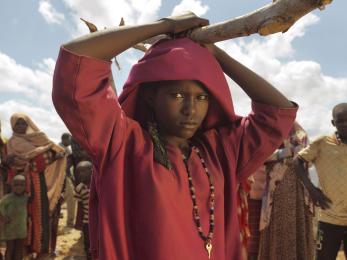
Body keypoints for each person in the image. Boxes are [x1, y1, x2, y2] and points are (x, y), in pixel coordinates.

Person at [52, 12, 297, 260]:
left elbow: (278, 113)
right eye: (177, 95)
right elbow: (77, 59)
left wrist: (216, 55)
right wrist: (165, 26)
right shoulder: (123, 144)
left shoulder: (220, 152)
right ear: (150, 97)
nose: (191, 109)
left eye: (201, 98)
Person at [250, 122, 315, 260]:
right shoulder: (264, 131)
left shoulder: (298, 132)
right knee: (270, 236)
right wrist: (289, 152)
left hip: (297, 193)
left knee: (295, 231)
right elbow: (262, 155)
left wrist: (283, 154)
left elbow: (306, 150)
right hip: (272, 193)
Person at [6, 113, 67, 257]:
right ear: (13, 125)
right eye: (18, 124)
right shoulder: (10, 143)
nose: (21, 126)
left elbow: (50, 154)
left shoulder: (38, 139)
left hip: (40, 184)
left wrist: (54, 156)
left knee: (40, 215)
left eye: (24, 123)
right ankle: (25, 249)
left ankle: (40, 248)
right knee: (23, 217)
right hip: (19, 185)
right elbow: (11, 163)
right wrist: (41, 159)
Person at [295, 103, 347, 260]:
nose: (345, 124)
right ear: (333, 123)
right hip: (329, 217)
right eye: (341, 121)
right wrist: (312, 189)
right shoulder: (322, 143)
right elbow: (298, 161)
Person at [0, 175, 29, 260]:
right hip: (10, 230)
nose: (19, 187)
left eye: (21, 185)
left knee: (19, 250)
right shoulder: (7, 198)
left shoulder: (26, 198)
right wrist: (3, 218)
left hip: (21, 230)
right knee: (10, 249)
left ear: (25, 186)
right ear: (12, 186)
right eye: (16, 185)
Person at [74, 161, 92, 260]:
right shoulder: (79, 188)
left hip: (101, 221)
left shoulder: (99, 184)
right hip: (87, 221)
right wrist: (78, 223)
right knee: (88, 243)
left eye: (84, 171)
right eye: (79, 172)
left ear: (91, 171)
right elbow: (80, 207)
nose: (81, 174)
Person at [59, 133, 76, 227]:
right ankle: (70, 222)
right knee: (72, 197)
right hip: (63, 176)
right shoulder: (60, 148)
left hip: (65, 176)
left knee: (64, 197)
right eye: (70, 139)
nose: (71, 141)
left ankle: (56, 212)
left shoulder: (67, 148)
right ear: (65, 139)